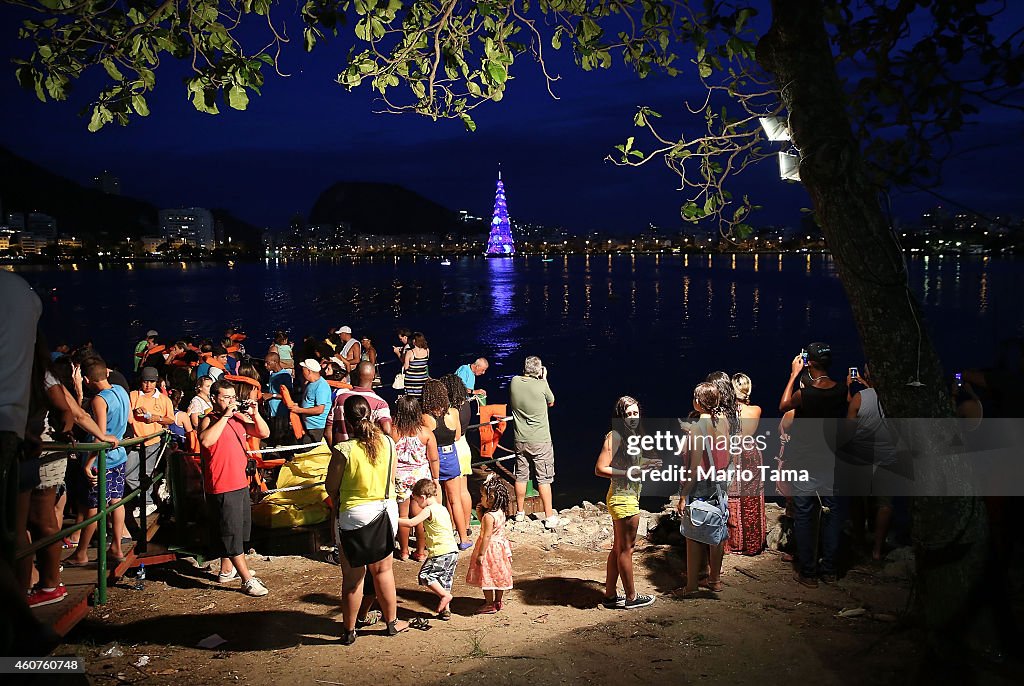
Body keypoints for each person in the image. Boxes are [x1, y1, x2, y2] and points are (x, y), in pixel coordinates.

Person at [325, 396, 407, 644]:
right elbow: (391, 479)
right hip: (385, 510)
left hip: (353, 515)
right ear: (371, 416)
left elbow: (331, 488)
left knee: (352, 578)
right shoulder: (389, 443)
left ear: (347, 422)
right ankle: (391, 622)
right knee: (383, 571)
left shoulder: (343, 450)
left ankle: (349, 631)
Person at [778, 342, 848, 588]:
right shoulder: (841, 390)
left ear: (810, 362)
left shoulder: (806, 394)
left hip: (805, 459)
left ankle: (808, 572)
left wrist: (793, 374)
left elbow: (784, 405)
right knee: (831, 513)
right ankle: (829, 568)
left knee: (805, 515)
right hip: (830, 459)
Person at [198, 380, 270, 596]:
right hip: (222, 484)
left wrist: (255, 413)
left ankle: (227, 569)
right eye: (225, 397)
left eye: (232, 397)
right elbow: (206, 440)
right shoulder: (208, 420)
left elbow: (263, 433)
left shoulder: (238, 418)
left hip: (239, 482)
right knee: (230, 532)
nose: (231, 401)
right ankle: (246, 579)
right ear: (214, 399)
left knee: (237, 530)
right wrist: (226, 416)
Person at [594, 396, 661, 609]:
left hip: (627, 496)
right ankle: (631, 597)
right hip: (623, 500)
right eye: (628, 414)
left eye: (635, 413)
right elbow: (600, 468)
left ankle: (611, 595)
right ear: (620, 416)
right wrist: (630, 472)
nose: (633, 418)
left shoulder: (629, 435)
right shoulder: (615, 436)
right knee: (626, 550)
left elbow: (629, 461)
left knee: (618, 549)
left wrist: (646, 462)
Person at [64, 358, 132, 567]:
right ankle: (117, 547)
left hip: (102, 459)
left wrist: (88, 463)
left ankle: (81, 553)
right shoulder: (121, 390)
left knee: (93, 505)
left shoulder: (99, 400)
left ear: (86, 379)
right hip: (119, 455)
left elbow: (99, 435)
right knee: (116, 501)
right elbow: (128, 419)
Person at [675, 382, 732, 597]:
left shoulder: (697, 430)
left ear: (698, 402)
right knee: (716, 529)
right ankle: (715, 579)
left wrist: (682, 495)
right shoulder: (723, 422)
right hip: (720, 483)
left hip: (701, 486)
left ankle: (691, 586)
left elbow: (693, 469)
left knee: (694, 534)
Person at [844, 363, 897, 562]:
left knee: (859, 502)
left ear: (866, 374)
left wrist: (850, 388)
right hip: (887, 457)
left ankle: (860, 543)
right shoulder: (894, 397)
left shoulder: (860, 398)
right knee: (885, 504)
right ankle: (877, 549)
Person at [509, 356, 561, 529]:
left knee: (521, 476)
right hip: (540, 440)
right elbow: (551, 402)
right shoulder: (541, 385)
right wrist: (544, 379)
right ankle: (549, 516)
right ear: (538, 370)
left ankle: (520, 513)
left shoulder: (514, 381)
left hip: (520, 439)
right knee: (544, 478)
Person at [397, 479, 458, 620]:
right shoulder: (442, 508)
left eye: (417, 501)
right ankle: (445, 610)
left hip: (440, 551)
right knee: (444, 580)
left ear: (423, 497)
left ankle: (445, 596)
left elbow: (412, 522)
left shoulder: (429, 510)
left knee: (425, 576)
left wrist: (394, 519)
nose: (417, 504)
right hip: (452, 550)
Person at [422, 380, 471, 549]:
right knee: (455, 499)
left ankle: (442, 537)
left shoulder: (426, 417)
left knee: (437, 502)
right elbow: (457, 436)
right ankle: (463, 538)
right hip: (451, 456)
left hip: (434, 457)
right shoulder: (454, 413)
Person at [392, 396, 440, 562]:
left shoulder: (394, 432)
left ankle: (404, 551)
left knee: (403, 515)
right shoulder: (425, 432)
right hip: (420, 477)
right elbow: (433, 458)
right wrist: (436, 478)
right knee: (420, 515)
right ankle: (420, 551)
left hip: (400, 478)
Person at [126, 366, 175, 525]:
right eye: (145, 381)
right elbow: (128, 415)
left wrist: (156, 418)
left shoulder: (164, 399)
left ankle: (146, 503)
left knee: (146, 474)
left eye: (152, 382)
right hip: (135, 442)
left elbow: (171, 420)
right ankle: (146, 501)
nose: (148, 385)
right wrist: (134, 410)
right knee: (129, 474)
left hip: (153, 442)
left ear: (157, 382)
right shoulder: (133, 395)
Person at [728, 372, 766, 556]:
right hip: (751, 451)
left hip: (733, 449)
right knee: (752, 495)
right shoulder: (756, 410)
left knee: (732, 494)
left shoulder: (728, 412)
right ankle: (752, 542)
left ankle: (733, 541)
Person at [466, 475, 514, 614]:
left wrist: (481, 554)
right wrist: (481, 513)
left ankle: (489, 604)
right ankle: (498, 601)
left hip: (489, 549)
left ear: (490, 498)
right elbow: (492, 528)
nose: (480, 499)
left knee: (486, 575)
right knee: (498, 574)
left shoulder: (489, 516)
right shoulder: (501, 512)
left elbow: (486, 534)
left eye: (482, 496)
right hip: (500, 548)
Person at [326, 362, 392, 446]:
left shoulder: (340, 398)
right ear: (374, 376)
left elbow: (328, 431)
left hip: (342, 452)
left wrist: (335, 450)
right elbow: (387, 431)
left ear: (356, 375)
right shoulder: (380, 404)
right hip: (368, 454)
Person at [440, 374, 474, 537]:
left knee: (451, 493)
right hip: (465, 447)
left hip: (454, 448)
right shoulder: (466, 405)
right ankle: (466, 524)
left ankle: (454, 525)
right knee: (463, 490)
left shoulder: (451, 411)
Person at [289, 359, 331, 444]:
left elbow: (320, 409)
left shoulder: (321, 386)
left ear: (308, 371)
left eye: (303, 369)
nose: (302, 372)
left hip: (315, 429)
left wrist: (299, 410)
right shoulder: (310, 383)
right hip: (307, 426)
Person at [261, 353, 293, 445]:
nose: (265, 365)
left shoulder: (285, 376)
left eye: (268, 363)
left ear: (275, 362)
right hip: (272, 413)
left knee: (281, 439)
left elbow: (289, 395)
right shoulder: (272, 375)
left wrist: (272, 395)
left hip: (281, 413)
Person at [402, 333, 430, 398]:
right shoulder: (427, 350)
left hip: (411, 381)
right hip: (423, 380)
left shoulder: (410, 352)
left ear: (414, 341)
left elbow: (406, 367)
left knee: (412, 399)